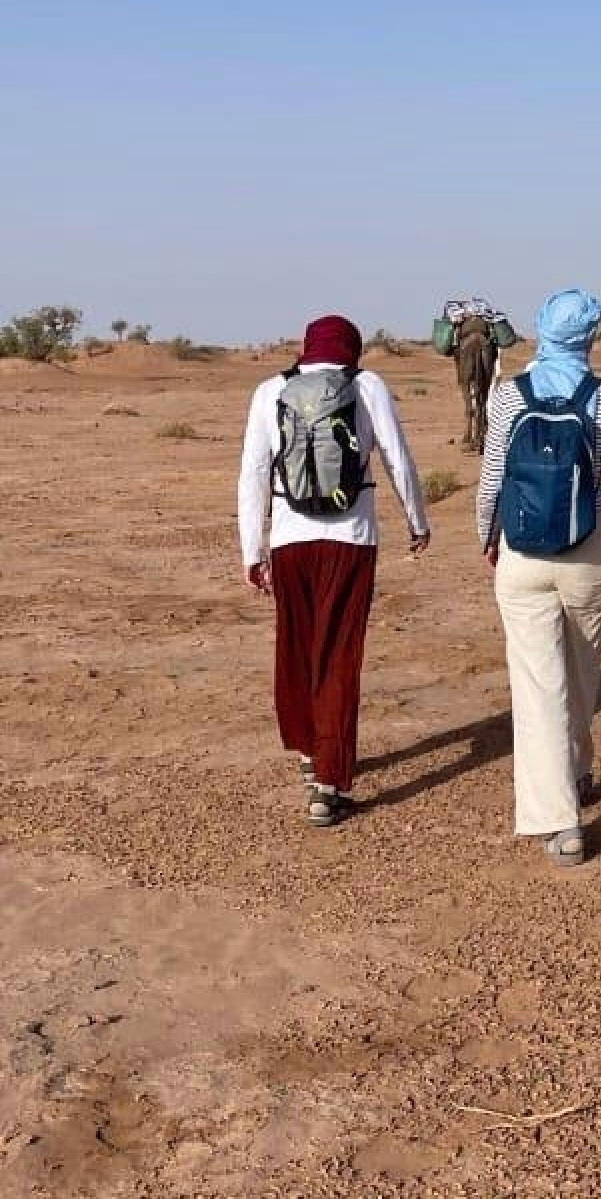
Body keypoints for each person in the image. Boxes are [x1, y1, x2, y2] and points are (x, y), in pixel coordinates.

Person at [474, 289, 601, 865]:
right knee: (581, 673)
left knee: (537, 686)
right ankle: (575, 770)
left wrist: (488, 536)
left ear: (542, 330)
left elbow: (491, 479)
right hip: (591, 551)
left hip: (522, 552)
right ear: (592, 336)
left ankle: (560, 823)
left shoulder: (508, 395)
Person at [237, 313, 431, 827]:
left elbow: (253, 473)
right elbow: (397, 457)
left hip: (289, 541)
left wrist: (252, 551)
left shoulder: (269, 391)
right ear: (352, 348)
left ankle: (309, 751)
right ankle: (329, 783)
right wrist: (417, 520)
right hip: (351, 540)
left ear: (306, 348)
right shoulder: (367, 385)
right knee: (340, 655)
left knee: (297, 648)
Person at [442, 294, 501, 454]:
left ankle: (469, 435)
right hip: (486, 347)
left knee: (466, 391)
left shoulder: (460, 319)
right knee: (483, 396)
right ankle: (481, 437)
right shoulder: (486, 319)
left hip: (465, 349)